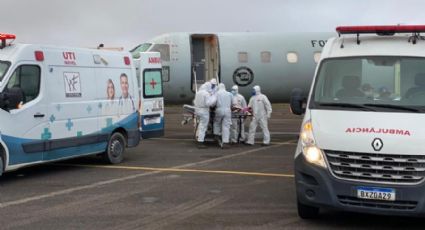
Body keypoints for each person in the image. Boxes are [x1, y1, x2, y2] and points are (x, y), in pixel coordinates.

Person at [194, 82, 217, 148]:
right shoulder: (206, 94)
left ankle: (198, 137)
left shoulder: (198, 93)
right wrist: (214, 98)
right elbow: (208, 104)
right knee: (203, 126)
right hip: (204, 111)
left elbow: (195, 102)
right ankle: (200, 141)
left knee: (199, 125)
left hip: (197, 110)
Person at [213, 83, 233, 148]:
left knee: (217, 123)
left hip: (219, 110)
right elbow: (233, 103)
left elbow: (213, 103)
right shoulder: (229, 94)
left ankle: (216, 134)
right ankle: (225, 142)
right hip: (227, 110)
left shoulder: (216, 93)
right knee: (226, 126)